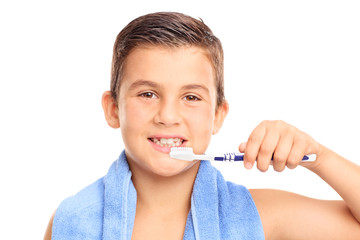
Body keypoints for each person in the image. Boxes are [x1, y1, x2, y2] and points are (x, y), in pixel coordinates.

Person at [44, 12, 360, 239]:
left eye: (191, 97)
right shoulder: (72, 222)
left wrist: (319, 157)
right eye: (148, 94)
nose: (168, 116)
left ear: (218, 116)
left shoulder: (260, 217)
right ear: (113, 109)